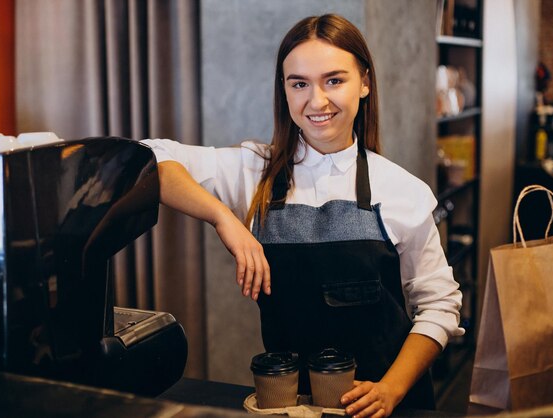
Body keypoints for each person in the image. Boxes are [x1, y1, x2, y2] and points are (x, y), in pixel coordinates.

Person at [142, 14, 464, 417]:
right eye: (299, 83)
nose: (317, 101)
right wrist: (223, 219)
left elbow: (439, 306)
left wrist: (390, 390)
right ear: (284, 89)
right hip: (294, 408)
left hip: (390, 406)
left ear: (364, 82)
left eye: (334, 80)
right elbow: (150, 157)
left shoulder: (402, 190)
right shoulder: (255, 172)